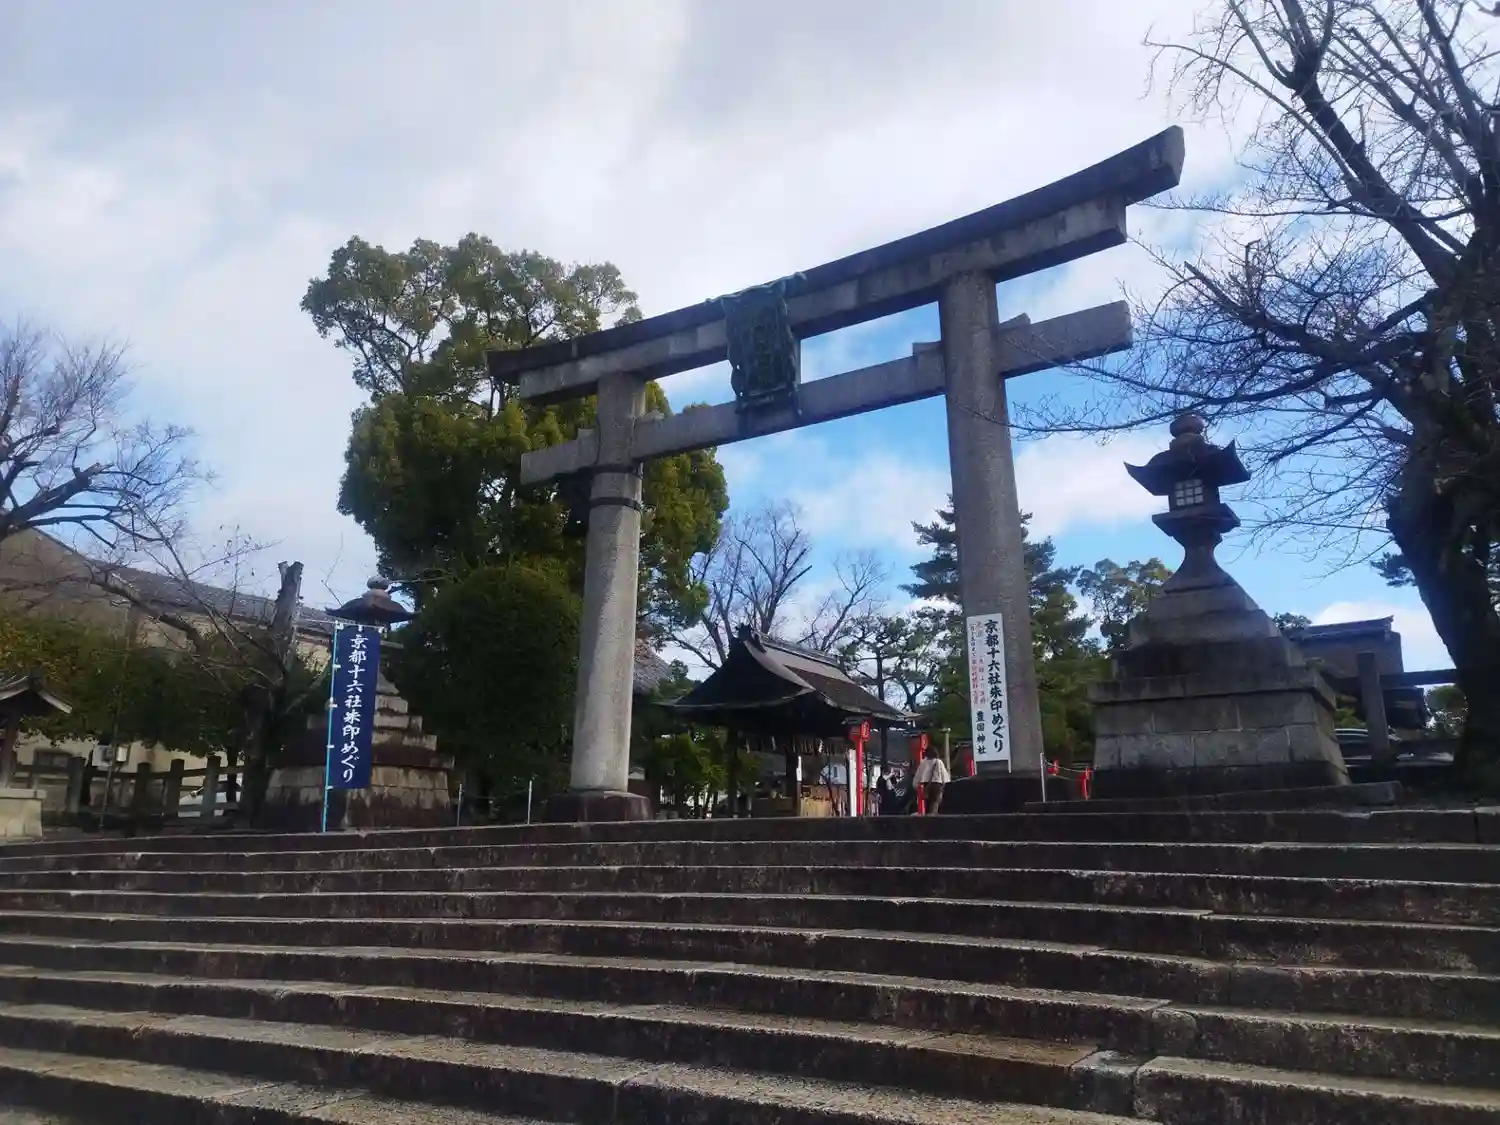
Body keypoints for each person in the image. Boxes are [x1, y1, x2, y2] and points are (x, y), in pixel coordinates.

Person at [913, 750, 950, 815]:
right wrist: (946, 783)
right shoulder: (939, 762)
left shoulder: (924, 762)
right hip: (937, 784)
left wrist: (915, 784)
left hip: (926, 784)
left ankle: (928, 815)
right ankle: (933, 815)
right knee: (935, 801)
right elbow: (943, 774)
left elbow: (919, 773)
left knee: (927, 801)